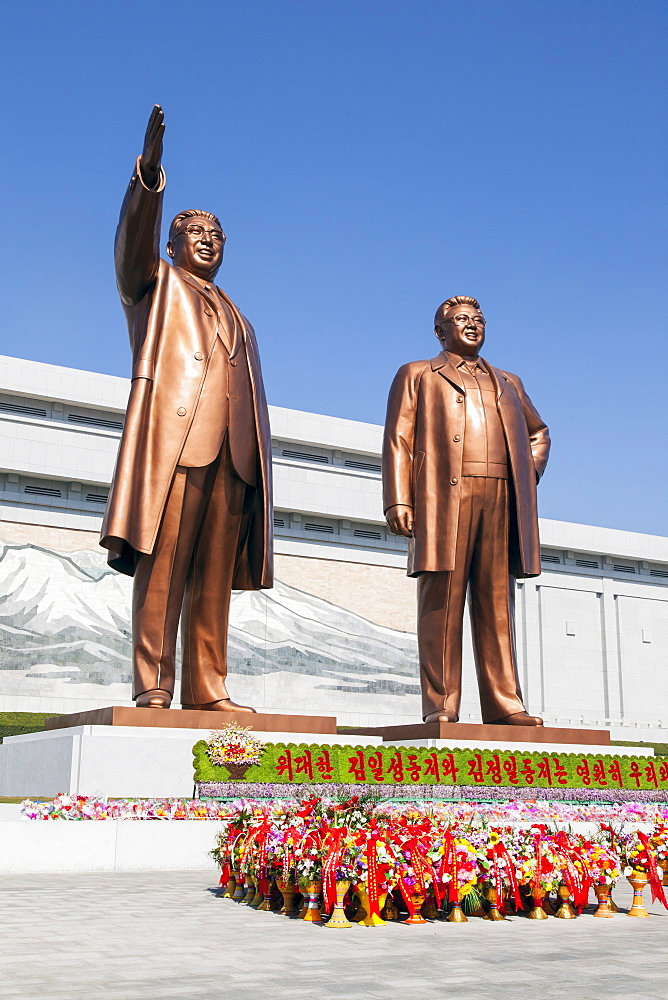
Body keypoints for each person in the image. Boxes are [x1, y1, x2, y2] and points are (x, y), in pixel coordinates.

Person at [100, 106, 273, 712]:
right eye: (195, 232)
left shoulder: (239, 314)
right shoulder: (154, 285)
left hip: (235, 453)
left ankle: (209, 687)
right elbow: (130, 248)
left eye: (217, 235)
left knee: (213, 582)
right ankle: (154, 684)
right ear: (172, 243)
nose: (208, 240)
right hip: (177, 445)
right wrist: (147, 176)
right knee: (165, 567)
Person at [383, 296, 550, 725]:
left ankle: (505, 703)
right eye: (460, 320)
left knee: (497, 604)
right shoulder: (418, 374)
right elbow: (399, 439)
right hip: (445, 497)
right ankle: (441, 703)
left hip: (500, 496)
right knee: (442, 601)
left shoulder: (508, 381)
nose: (472, 325)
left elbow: (539, 432)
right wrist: (399, 499)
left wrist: (525, 475)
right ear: (440, 331)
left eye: (478, 319)